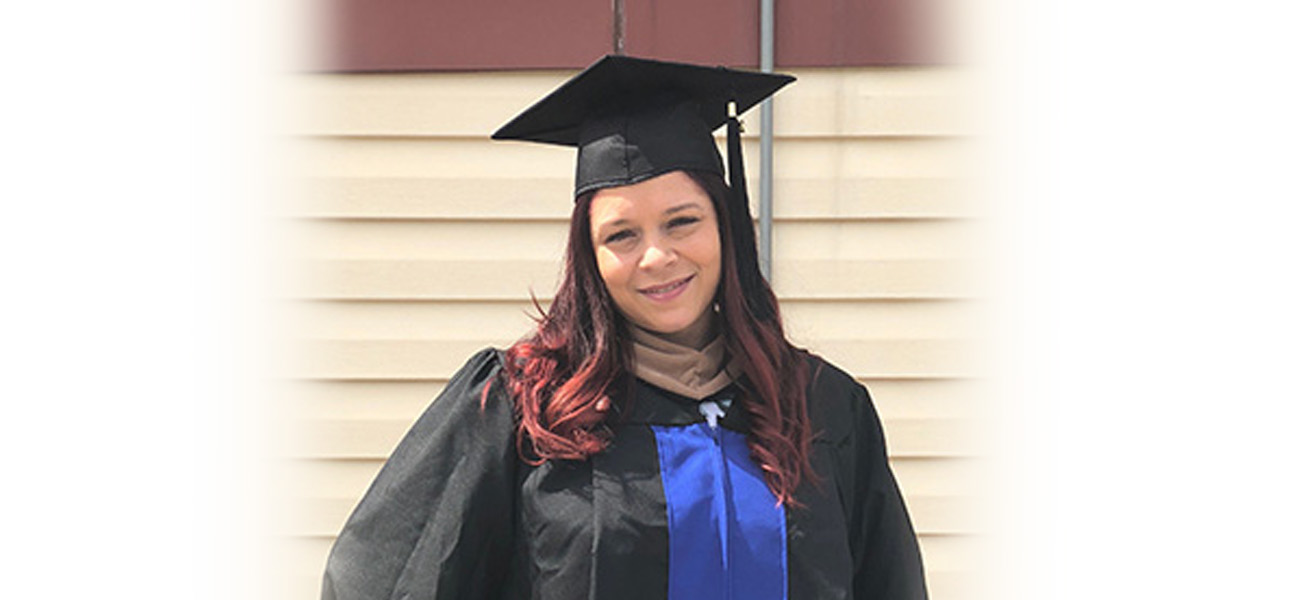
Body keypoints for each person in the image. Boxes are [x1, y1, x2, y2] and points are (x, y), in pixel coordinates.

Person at [321, 55, 928, 600]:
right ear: (590, 256)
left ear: (727, 227)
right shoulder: (522, 406)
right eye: (621, 235)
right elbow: (379, 581)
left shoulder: (822, 407)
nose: (657, 257)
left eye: (682, 221)